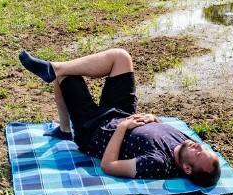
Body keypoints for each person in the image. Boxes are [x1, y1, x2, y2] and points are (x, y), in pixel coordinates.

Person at [18, 48, 221, 187]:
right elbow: (159, 133)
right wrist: (154, 119)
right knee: (121, 57)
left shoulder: (158, 164)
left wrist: (123, 128)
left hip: (96, 130)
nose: (198, 146)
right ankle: (53, 68)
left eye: (199, 153)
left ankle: (64, 126)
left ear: (186, 168)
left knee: (67, 77)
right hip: (123, 113)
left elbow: (109, 166)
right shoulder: (187, 145)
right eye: (203, 148)